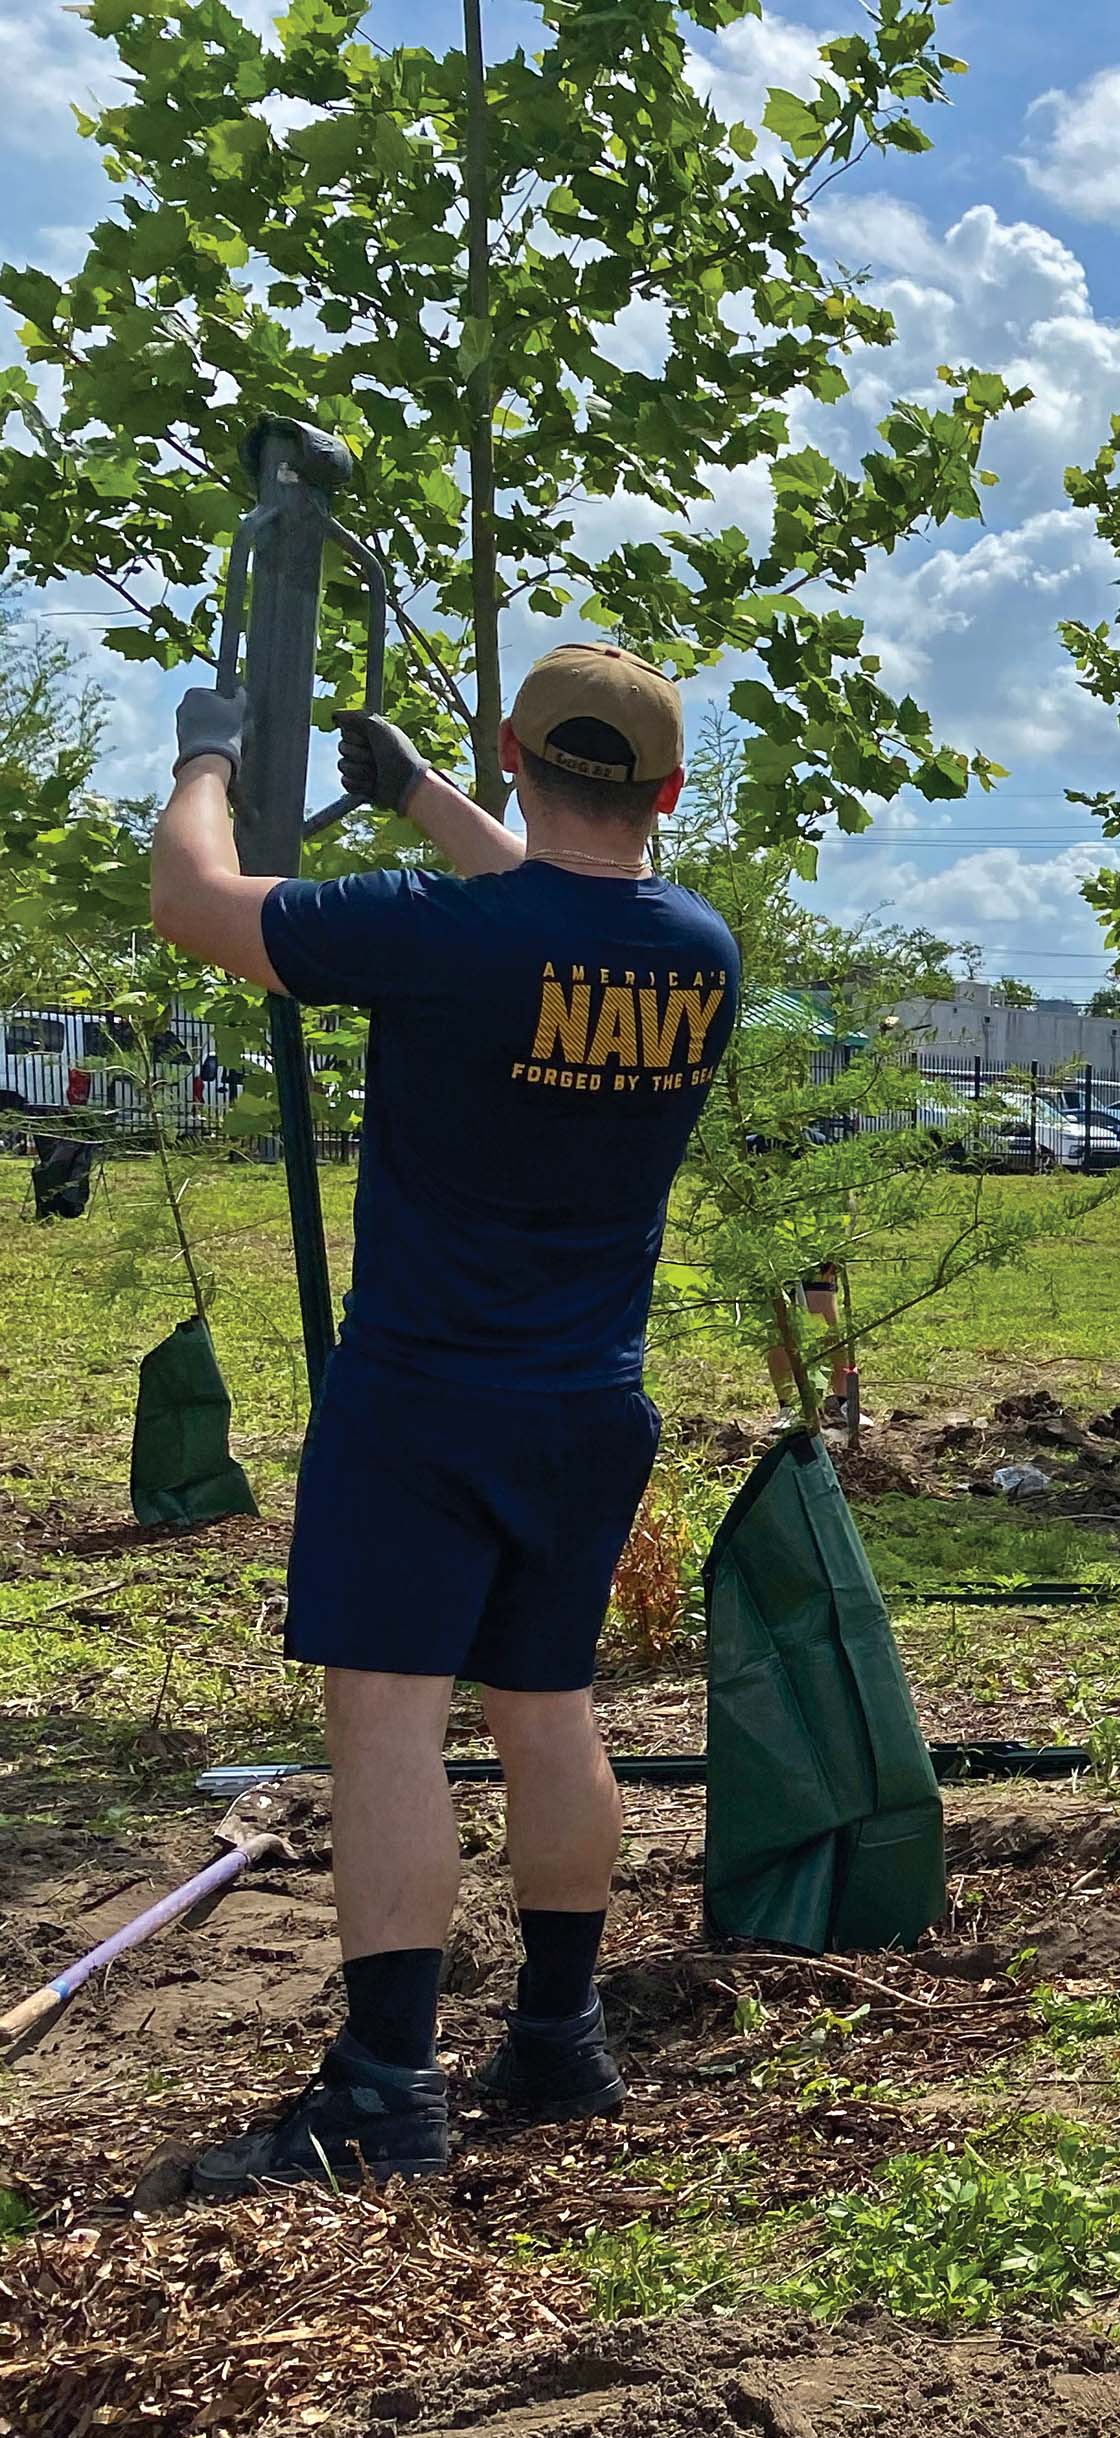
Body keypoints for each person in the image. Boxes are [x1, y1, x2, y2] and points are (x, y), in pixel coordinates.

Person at [149, 646, 737, 2189]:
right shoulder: (697, 952)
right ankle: (559, 2035)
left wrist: (206, 758)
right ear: (669, 789)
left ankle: (383, 2090)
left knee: (389, 1716)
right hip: (588, 1409)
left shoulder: (431, 938)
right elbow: (558, 908)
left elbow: (201, 906)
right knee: (546, 1707)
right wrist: (415, 793)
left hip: (420, 1400)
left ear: (517, 752)